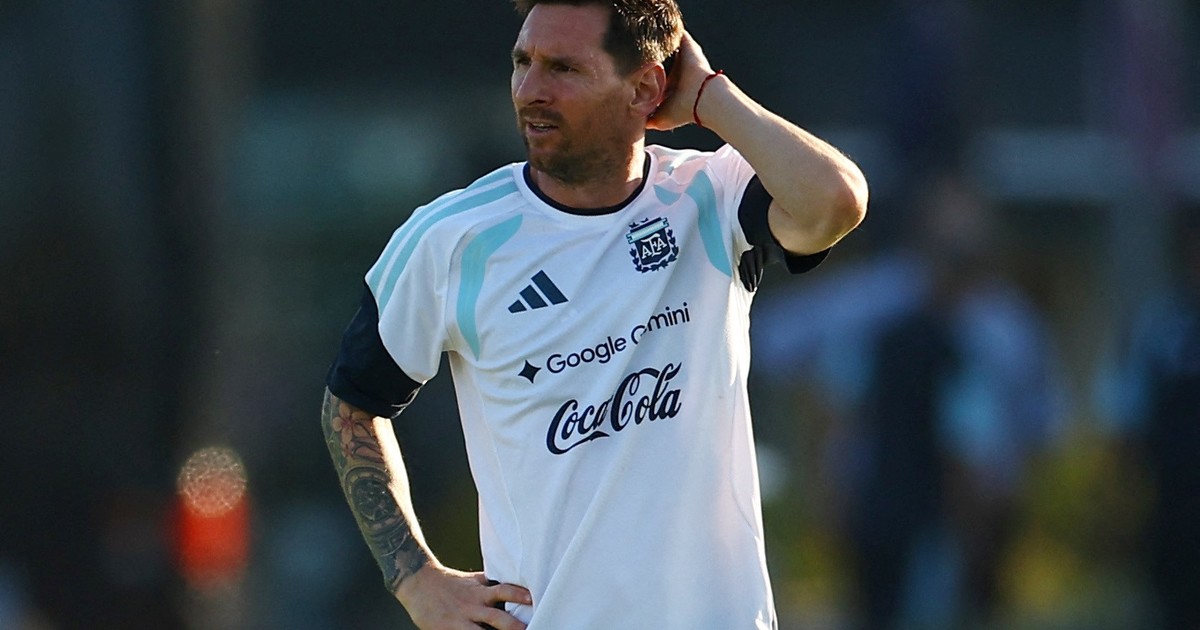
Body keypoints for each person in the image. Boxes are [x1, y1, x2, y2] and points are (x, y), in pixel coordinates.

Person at [321, 1, 867, 628]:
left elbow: (836, 202)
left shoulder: (711, 195)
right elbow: (351, 404)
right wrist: (415, 578)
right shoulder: (450, 238)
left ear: (646, 89)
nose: (530, 90)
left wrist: (711, 97)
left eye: (564, 68)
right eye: (522, 62)